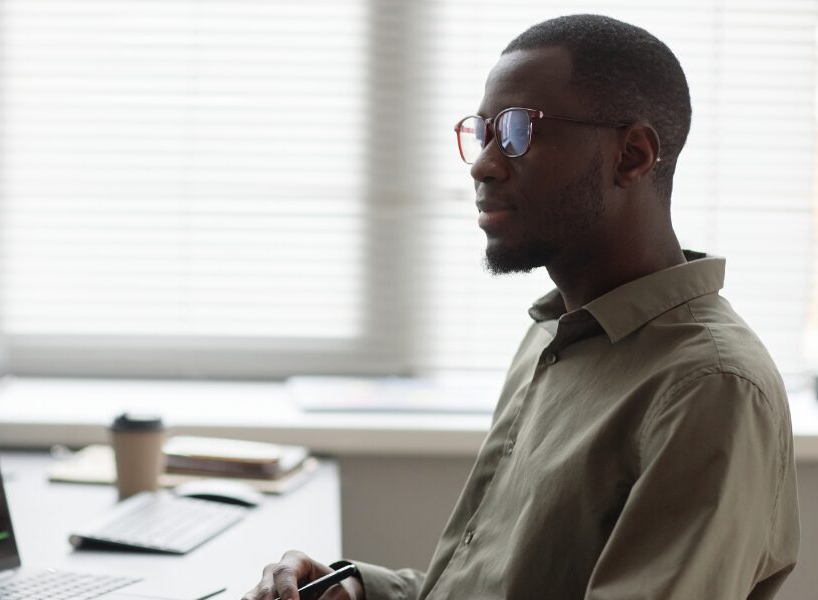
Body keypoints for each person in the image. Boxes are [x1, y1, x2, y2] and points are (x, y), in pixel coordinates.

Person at [243, 14, 799, 600]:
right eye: (481, 132)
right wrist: (356, 589)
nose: (482, 163)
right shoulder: (556, 335)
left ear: (632, 155)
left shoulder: (709, 387)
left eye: (516, 131)